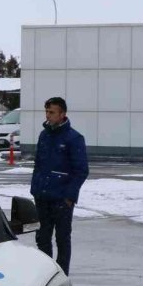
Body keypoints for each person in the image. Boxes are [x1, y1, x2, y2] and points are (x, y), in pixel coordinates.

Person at [29, 97, 89, 275]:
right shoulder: (44, 135)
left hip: (61, 199)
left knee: (62, 239)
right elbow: (38, 164)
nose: (48, 115)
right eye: (46, 112)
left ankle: (61, 276)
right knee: (42, 238)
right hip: (42, 196)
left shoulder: (74, 138)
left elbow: (81, 171)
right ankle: (45, 274)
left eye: (52, 112)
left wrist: (69, 197)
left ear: (62, 114)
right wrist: (36, 188)